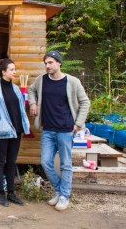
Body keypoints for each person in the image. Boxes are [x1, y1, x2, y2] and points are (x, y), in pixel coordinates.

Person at [28, 50, 90, 211]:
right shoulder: (41, 81)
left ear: (59, 63)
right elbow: (31, 90)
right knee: (45, 162)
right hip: (48, 129)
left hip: (66, 130)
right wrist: (33, 103)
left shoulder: (72, 82)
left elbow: (85, 102)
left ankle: (64, 196)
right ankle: (59, 190)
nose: (47, 66)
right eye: (46, 63)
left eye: (50, 63)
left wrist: (77, 124)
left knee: (66, 164)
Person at [0, 58, 30, 207]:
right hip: (1, 132)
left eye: (14, 69)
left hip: (16, 131)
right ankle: (1, 194)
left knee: (11, 163)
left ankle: (12, 193)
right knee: (0, 162)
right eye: (12, 69)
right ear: (3, 72)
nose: (15, 72)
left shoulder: (15, 89)